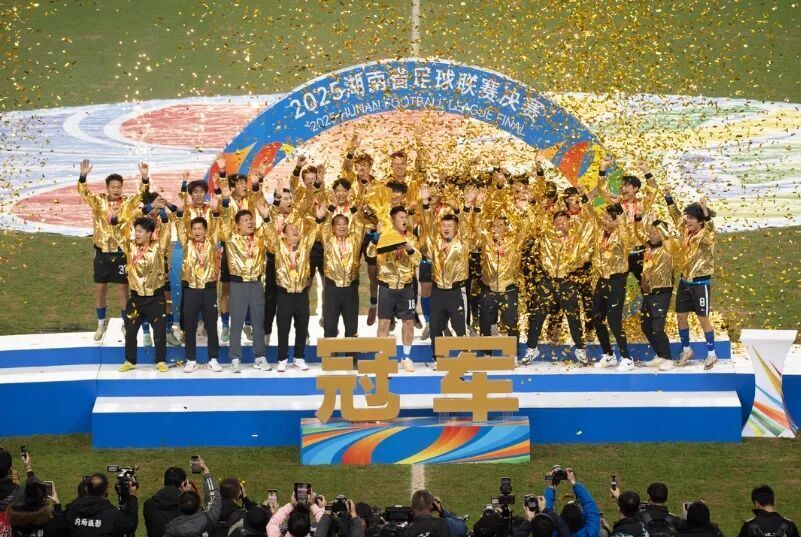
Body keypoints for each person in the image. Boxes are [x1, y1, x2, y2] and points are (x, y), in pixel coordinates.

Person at [77, 159, 148, 341]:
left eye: (119, 187)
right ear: (107, 188)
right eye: (113, 187)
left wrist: (145, 177)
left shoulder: (127, 203)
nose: (116, 190)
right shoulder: (98, 201)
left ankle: (125, 325)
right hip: (102, 253)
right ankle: (101, 325)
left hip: (121, 252)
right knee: (100, 290)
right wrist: (83, 176)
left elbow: (141, 195)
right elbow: (84, 192)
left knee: (123, 291)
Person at [110, 201, 176, 373]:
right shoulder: (130, 247)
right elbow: (117, 233)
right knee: (131, 331)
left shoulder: (158, 247)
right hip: (136, 299)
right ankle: (130, 361)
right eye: (136, 231)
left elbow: (166, 232)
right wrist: (115, 218)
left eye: (140, 231)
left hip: (156, 298)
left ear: (149, 234)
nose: (137, 234)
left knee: (159, 332)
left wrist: (163, 214)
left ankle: (160, 361)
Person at [262, 203, 326, 372]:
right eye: (291, 229)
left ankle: (299, 357)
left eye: (296, 229)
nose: (295, 231)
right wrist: (267, 219)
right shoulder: (278, 246)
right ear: (284, 234)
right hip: (284, 294)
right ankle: (282, 358)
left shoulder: (305, 246)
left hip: (301, 294)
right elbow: (270, 233)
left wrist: (319, 219)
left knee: (302, 327)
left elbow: (314, 233)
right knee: (283, 328)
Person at [419, 185, 478, 358]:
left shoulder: (462, 243)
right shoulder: (435, 242)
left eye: (450, 226)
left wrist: (467, 206)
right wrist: (425, 202)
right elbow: (428, 225)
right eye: (444, 225)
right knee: (436, 327)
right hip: (438, 291)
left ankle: (464, 358)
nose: (446, 228)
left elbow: (465, 224)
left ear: (456, 228)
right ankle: (438, 357)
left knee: (460, 327)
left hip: (456, 292)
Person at [523, 211, 587, 365]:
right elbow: (533, 222)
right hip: (547, 281)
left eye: (563, 221)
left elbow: (582, 258)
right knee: (537, 315)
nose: (560, 224)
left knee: (573, 317)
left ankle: (580, 349)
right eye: (557, 222)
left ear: (569, 223)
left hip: (567, 281)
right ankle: (531, 349)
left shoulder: (576, 239)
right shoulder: (546, 236)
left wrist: (573, 267)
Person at [664, 188, 717, 369]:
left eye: (692, 218)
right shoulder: (685, 230)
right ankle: (687, 349)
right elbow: (675, 216)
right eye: (687, 217)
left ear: (700, 221)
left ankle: (712, 353)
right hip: (684, 282)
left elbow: (710, 228)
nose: (687, 220)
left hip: (700, 283)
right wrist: (669, 198)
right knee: (680, 317)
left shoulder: (706, 235)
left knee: (703, 319)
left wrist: (705, 211)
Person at [219, 182, 270, 374]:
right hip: (238, 284)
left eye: (251, 219)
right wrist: (225, 201)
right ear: (237, 224)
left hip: (256, 284)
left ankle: (260, 356)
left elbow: (273, 240)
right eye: (245, 220)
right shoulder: (231, 238)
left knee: (258, 322)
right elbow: (224, 223)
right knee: (237, 322)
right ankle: (235, 358)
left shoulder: (260, 238)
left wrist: (266, 218)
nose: (249, 222)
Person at [369, 207, 422, 372]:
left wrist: (410, 248)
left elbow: (418, 260)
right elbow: (370, 254)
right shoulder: (384, 237)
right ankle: (382, 358)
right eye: (401, 217)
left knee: (409, 322)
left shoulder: (412, 238)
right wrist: (376, 238)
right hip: (387, 286)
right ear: (393, 220)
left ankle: (406, 357)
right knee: (383, 322)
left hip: (406, 287)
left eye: (405, 217)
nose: (404, 220)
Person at [587, 202, 636, 371]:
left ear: (616, 221)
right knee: (596, 317)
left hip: (617, 281)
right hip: (602, 280)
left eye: (608, 219)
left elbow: (624, 225)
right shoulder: (601, 234)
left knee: (614, 320)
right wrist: (586, 199)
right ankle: (608, 355)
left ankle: (627, 358)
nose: (604, 221)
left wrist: (620, 211)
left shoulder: (622, 235)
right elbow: (591, 217)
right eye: (604, 218)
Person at [176, 214, 222, 373]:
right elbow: (180, 228)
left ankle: (213, 359)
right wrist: (180, 213)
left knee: (211, 324)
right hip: (191, 289)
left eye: (200, 229)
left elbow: (217, 226)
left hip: (209, 289)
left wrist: (217, 211)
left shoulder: (212, 242)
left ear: (205, 231)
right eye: (194, 229)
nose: (197, 231)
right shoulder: (187, 243)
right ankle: (191, 360)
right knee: (190, 325)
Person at [633, 219, 679, 371]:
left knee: (658, 327)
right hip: (648, 292)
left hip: (662, 291)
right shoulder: (648, 247)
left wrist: (659, 225)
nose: (651, 235)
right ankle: (660, 355)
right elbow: (638, 233)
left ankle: (668, 358)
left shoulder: (668, 247)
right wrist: (638, 219)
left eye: (655, 233)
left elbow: (667, 237)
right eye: (650, 233)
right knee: (646, 326)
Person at [320, 210, 366, 338]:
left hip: (350, 288)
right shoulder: (328, 240)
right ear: (333, 228)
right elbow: (324, 227)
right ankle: (329, 351)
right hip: (332, 288)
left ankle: (351, 351)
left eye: (345, 224)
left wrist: (354, 209)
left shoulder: (355, 240)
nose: (342, 227)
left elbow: (360, 225)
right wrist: (329, 210)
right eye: (338, 224)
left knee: (351, 327)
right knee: (330, 326)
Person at [164, 457, 221, 537]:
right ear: (199, 502)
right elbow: (213, 496)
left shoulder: (172, 530)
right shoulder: (210, 517)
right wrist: (205, 471)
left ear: (179, 506)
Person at [65, 473, 137, 537]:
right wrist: (132, 496)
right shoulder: (113, 515)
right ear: (106, 489)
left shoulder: (72, 509)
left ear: (87, 489)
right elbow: (131, 525)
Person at [545, 468, 600, 537]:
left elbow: (546, 518)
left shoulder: (553, 534)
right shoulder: (591, 532)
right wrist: (573, 482)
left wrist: (551, 486)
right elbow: (589, 505)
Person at [143, 467, 188, 537]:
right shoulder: (187, 504)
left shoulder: (148, 504)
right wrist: (190, 495)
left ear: (163, 481)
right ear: (183, 484)